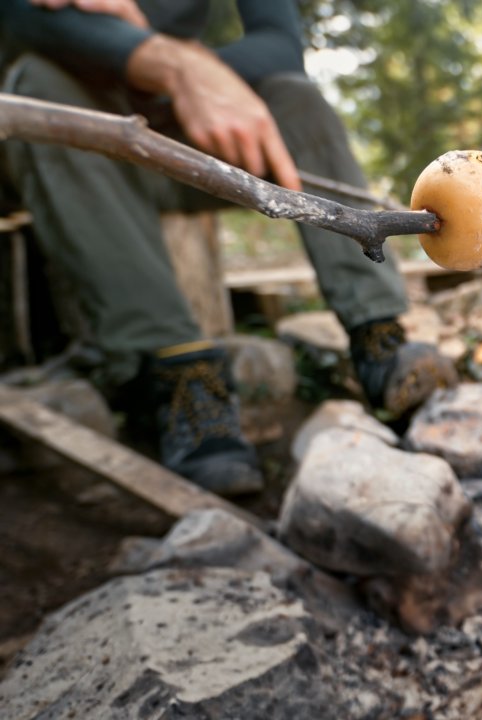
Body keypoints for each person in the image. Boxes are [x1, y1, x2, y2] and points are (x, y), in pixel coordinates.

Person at [0, 0, 455, 495]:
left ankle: (379, 341)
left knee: (293, 97)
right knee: (39, 79)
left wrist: (181, 66)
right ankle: (178, 374)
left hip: (177, 136)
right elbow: (20, 20)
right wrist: (168, 60)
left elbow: (280, 45)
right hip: (53, 141)